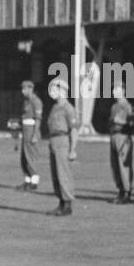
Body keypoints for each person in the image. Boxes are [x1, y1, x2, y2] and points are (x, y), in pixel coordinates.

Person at [46, 76, 78, 216]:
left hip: (63, 141)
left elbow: (74, 129)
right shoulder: (54, 107)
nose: (51, 91)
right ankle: (61, 202)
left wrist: (73, 149)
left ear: (63, 90)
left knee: (63, 173)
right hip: (53, 141)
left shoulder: (68, 108)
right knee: (55, 174)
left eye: (54, 88)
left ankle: (67, 204)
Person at [107, 82, 134, 204]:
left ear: (124, 91)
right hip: (114, 135)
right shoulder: (114, 106)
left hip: (123, 136)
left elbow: (133, 122)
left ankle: (126, 191)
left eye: (117, 89)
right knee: (115, 165)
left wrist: (121, 121)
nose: (114, 92)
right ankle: (120, 189)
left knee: (123, 165)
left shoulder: (127, 106)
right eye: (113, 89)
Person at [18, 79, 41, 192]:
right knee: (24, 156)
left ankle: (34, 181)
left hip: (31, 130)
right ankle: (27, 180)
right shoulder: (25, 101)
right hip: (25, 129)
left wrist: (35, 134)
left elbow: (38, 119)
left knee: (31, 155)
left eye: (25, 88)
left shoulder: (36, 101)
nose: (23, 91)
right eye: (22, 88)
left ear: (31, 89)